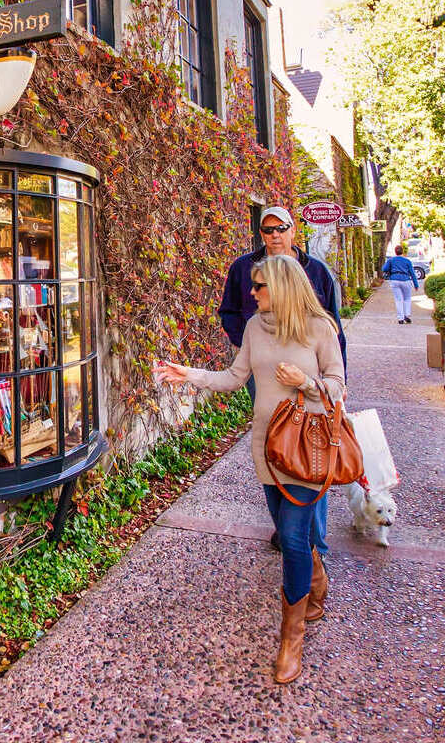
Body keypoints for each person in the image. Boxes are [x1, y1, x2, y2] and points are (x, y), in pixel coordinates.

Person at [155, 255, 345, 684]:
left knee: (293, 539)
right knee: (289, 528)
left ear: (282, 287)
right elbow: (235, 377)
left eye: (259, 286)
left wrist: (306, 382)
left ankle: (290, 636)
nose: (252, 293)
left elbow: (337, 386)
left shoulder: (320, 329)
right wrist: (189, 375)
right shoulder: (255, 328)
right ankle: (315, 570)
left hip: (306, 447)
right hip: (266, 448)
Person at [218, 206, 346, 559]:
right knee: (276, 446)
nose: (274, 235)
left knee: (310, 457)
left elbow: (333, 327)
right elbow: (229, 311)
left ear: (293, 231)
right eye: (267, 229)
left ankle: (311, 543)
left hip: (309, 379)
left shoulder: (315, 271)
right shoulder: (245, 269)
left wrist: (334, 384)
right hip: (264, 372)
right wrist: (245, 341)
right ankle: (290, 529)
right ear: (261, 233)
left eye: (281, 229)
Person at [382, 244, 419, 323]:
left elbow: (384, 269)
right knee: (407, 298)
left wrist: (391, 269)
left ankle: (400, 318)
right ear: (402, 251)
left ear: (395, 252)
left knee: (398, 299)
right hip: (405, 280)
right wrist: (416, 285)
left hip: (395, 280)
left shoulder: (391, 260)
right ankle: (407, 315)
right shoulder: (407, 261)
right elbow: (412, 273)